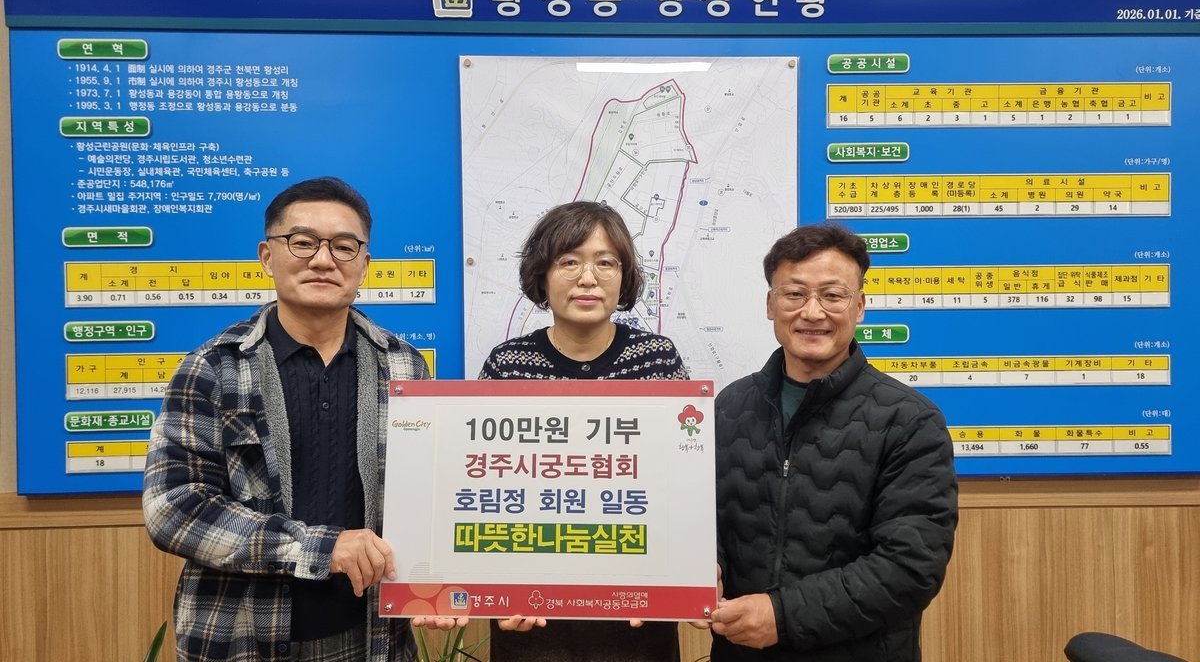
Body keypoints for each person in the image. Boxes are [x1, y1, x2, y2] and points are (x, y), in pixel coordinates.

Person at [143, 177, 445, 662]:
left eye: (344, 246)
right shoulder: (212, 369)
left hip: (373, 640)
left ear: (364, 265)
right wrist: (321, 549)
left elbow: (427, 498)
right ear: (267, 256)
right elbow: (175, 509)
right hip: (242, 638)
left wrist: (439, 583)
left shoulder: (405, 366)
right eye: (302, 242)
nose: (323, 260)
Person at [709, 223, 957, 661]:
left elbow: (910, 567)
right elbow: (706, 521)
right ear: (770, 304)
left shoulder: (910, 420)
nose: (812, 312)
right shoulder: (730, 406)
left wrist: (783, 615)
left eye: (832, 295)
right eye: (794, 294)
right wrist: (703, 568)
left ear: (858, 307)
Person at [479, 200, 689, 661]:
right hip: (531, 608)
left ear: (624, 276)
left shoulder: (656, 359)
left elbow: (683, 481)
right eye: (569, 262)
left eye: (605, 262)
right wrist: (496, 589)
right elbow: (485, 483)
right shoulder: (508, 364)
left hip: (638, 604)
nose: (588, 278)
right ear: (542, 275)